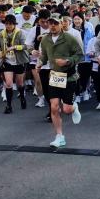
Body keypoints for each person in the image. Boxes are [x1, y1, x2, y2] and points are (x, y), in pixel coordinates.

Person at [36, 15, 84, 148]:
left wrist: (67, 61)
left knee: (67, 109)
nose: (52, 26)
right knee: (54, 107)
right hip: (55, 76)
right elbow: (44, 56)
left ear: (62, 24)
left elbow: (80, 54)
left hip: (69, 76)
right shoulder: (45, 39)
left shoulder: (69, 38)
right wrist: (40, 63)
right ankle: (59, 136)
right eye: (50, 23)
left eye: (55, 23)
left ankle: (74, 107)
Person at [0, 14, 29, 113]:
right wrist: (0, 52)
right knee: (9, 83)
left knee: (20, 83)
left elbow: (25, 46)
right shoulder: (1, 34)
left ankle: (22, 97)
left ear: (14, 24)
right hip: (7, 61)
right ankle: (9, 105)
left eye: (10, 24)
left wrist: (14, 47)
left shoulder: (20, 33)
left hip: (19, 61)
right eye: (6, 24)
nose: (8, 26)